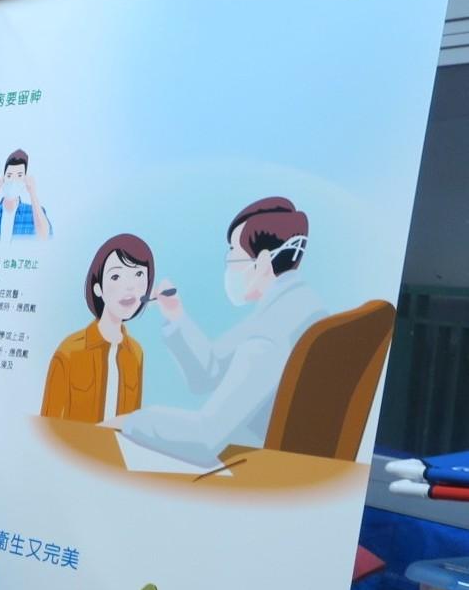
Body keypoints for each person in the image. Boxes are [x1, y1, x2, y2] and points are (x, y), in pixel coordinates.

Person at [110, 196, 326, 465]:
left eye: (233, 250)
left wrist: (132, 422)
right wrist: (176, 316)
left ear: (261, 261)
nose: (229, 261)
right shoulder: (299, 305)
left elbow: (205, 437)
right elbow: (211, 370)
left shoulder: (269, 335)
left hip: (257, 467)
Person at [41, 234, 153, 423]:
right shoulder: (70, 351)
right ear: (98, 288)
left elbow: (131, 422)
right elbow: (46, 423)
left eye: (139, 274)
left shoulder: (136, 353)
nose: (130, 287)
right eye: (116, 276)